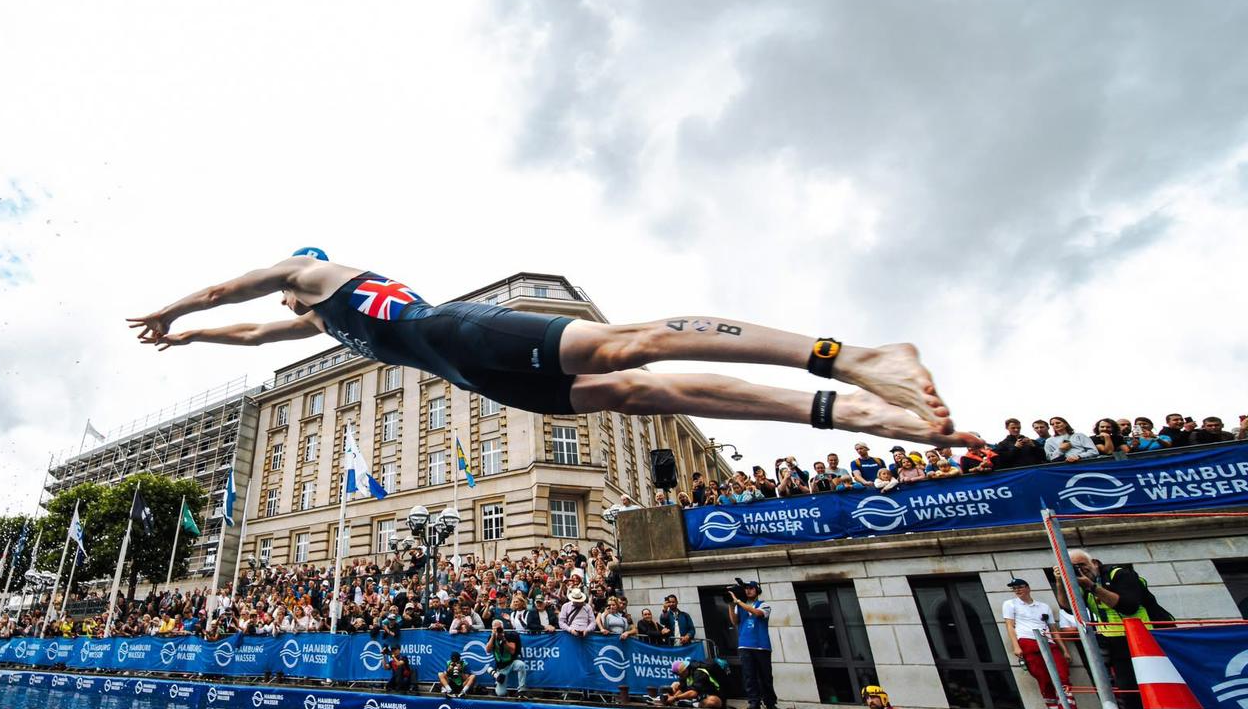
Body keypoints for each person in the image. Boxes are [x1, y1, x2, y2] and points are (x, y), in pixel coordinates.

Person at [128, 250, 978, 446]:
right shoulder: (319, 321)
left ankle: (851, 356)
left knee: (627, 345)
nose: (282, 299)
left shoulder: (313, 272)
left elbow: (222, 292)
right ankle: (849, 409)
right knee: (651, 392)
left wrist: (170, 312)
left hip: (463, 332)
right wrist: (191, 338)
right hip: (485, 378)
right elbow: (239, 325)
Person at [1053, 548, 1173, 709]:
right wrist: (1061, 581)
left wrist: (1091, 586)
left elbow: (1128, 606)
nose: (1079, 570)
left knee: (1160, 693)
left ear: (1095, 563)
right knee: (1130, 697)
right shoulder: (1079, 582)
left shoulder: (1119, 575)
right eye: (1072, 568)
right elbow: (1068, 607)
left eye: (1082, 565)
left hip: (1148, 640)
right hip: (1117, 645)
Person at [1000, 577, 1077, 709]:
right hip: (1028, 641)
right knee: (1044, 679)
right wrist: (1016, 646)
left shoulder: (1043, 606)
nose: (1018, 590)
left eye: (1020, 587)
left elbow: (1053, 629)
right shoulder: (1010, 604)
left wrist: (1064, 650)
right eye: (1015, 588)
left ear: (1028, 588)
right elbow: (1010, 625)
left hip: (1047, 641)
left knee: (1062, 675)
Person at [727, 580, 777, 709]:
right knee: (749, 676)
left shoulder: (764, 605)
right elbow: (734, 621)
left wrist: (738, 602)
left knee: (765, 676)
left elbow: (757, 613)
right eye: (746, 589)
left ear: (757, 590)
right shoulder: (739, 606)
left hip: (761, 646)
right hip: (745, 645)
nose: (748, 591)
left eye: (751, 588)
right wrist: (731, 605)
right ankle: (754, 702)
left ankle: (770, 703)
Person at [661, 658, 728, 709]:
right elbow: (682, 689)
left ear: (685, 670)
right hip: (700, 698)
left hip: (716, 697)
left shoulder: (699, 673)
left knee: (710, 702)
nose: (679, 677)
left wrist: (675, 698)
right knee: (675, 685)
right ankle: (691, 703)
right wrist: (672, 698)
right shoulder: (684, 675)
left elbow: (694, 693)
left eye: (680, 675)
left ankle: (693, 704)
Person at [486, 621, 528, 698]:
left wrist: (504, 639)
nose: (497, 630)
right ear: (492, 629)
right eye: (495, 628)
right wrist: (493, 636)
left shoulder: (510, 635)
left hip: (512, 662)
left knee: (521, 665)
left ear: (503, 628)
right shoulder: (491, 637)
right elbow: (488, 650)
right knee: (500, 693)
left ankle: (521, 690)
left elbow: (512, 651)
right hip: (502, 667)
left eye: (499, 628)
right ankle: (494, 673)